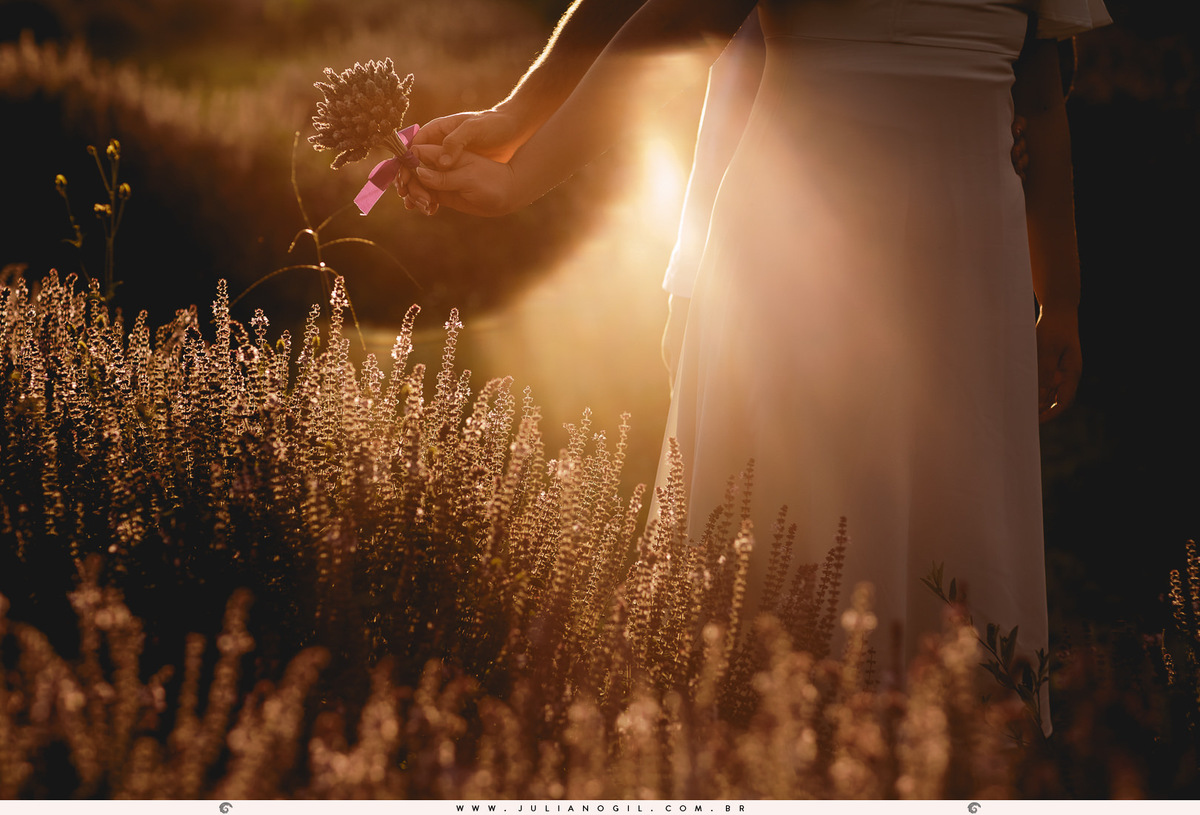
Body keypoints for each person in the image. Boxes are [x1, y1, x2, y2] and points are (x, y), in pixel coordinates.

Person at [406, 0, 1111, 729]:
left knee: (952, 512)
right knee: (797, 510)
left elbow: (1042, 98)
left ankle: (942, 750)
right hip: (806, 236)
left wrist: (1060, 297)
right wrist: (520, 159)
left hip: (967, 253)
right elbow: (675, 19)